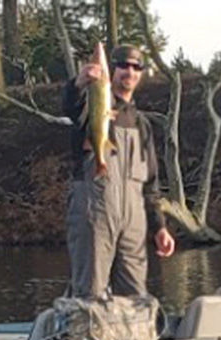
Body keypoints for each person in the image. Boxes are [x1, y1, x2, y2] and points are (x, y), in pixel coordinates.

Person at [63, 44, 175, 300]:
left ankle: (131, 339)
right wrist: (80, 81)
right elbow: (71, 107)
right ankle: (84, 337)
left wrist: (159, 226)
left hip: (134, 218)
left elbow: (151, 183)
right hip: (94, 210)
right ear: (111, 70)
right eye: (123, 65)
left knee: (135, 297)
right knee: (90, 292)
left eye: (137, 67)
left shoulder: (142, 124)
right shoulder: (93, 104)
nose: (130, 72)